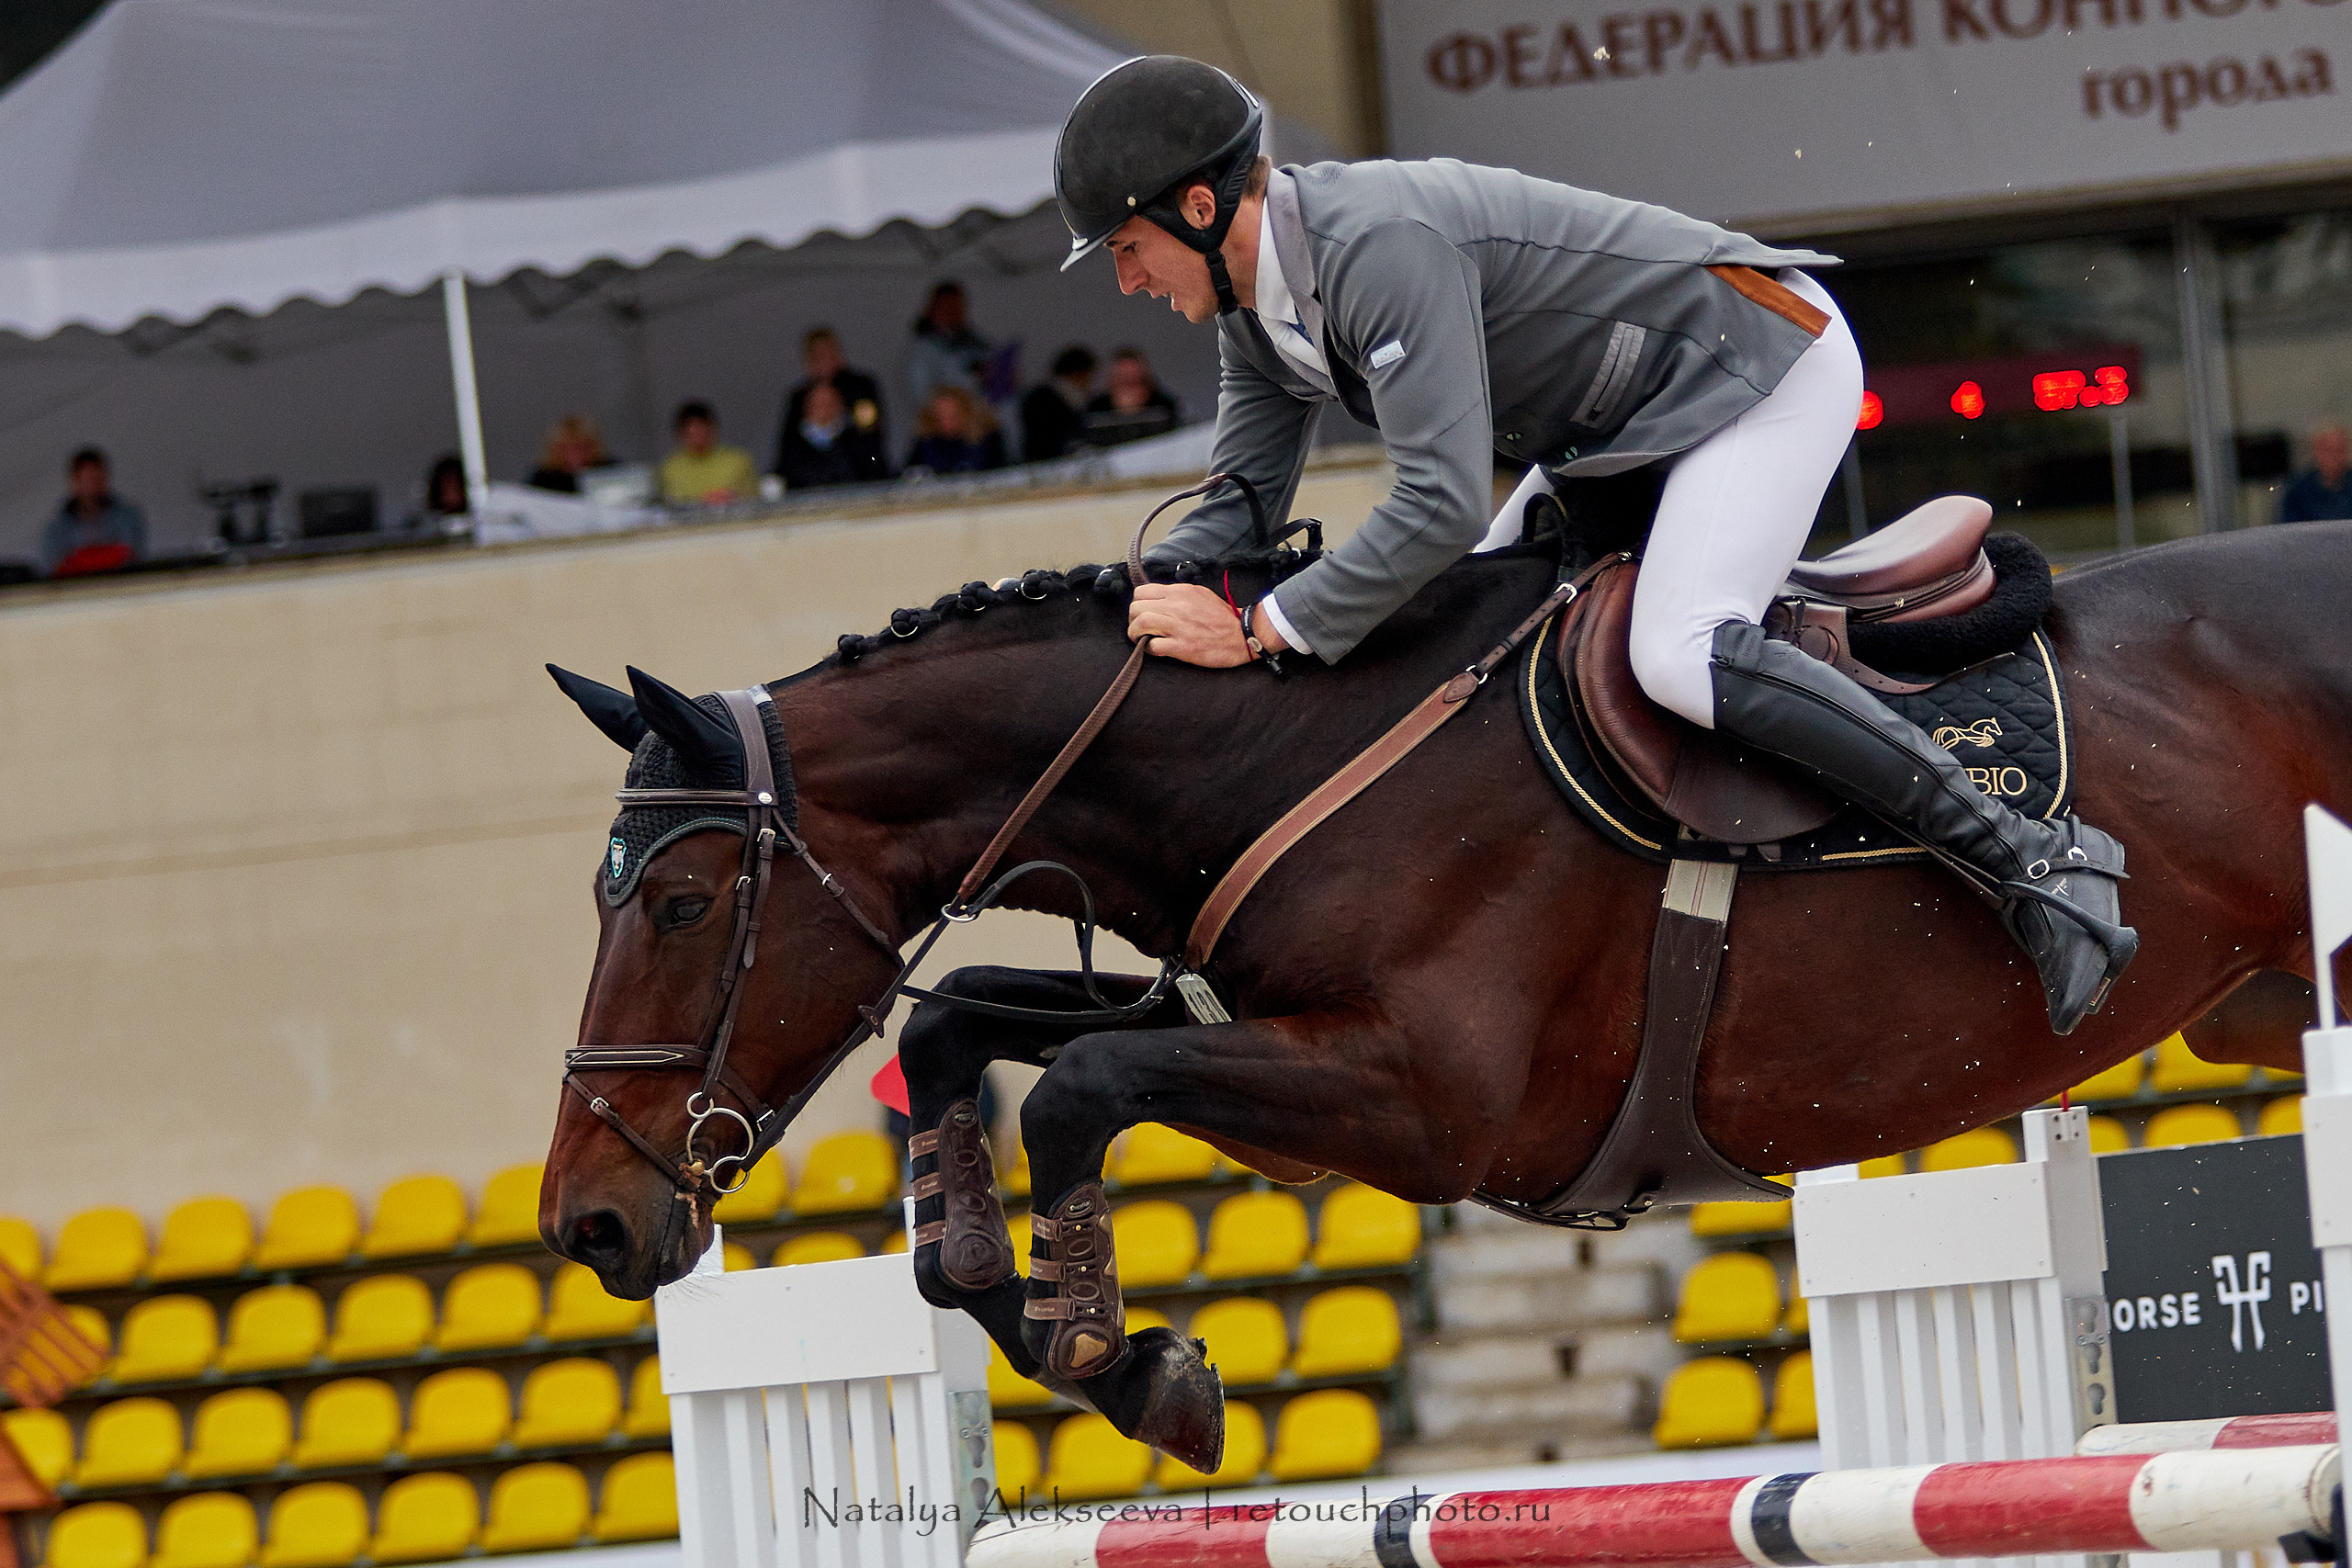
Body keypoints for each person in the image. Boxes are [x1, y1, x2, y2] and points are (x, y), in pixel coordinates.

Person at [1058, 54, 2135, 1035]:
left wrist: (1260, 630)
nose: (1128, 281)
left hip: (1751, 367)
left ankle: (2033, 860)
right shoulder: (1256, 309)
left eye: (1127, 248)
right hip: (1611, 432)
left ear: (1198, 207)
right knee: (1475, 624)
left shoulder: (1373, 246)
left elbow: (1433, 504)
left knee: (1680, 652)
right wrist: (1114, 600)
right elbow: (1242, 502)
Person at [775, 328, 887, 475]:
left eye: (828, 353)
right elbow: (787, 451)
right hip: (810, 476)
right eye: (817, 356)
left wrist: (837, 422)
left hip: (856, 472)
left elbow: (870, 440)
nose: (824, 361)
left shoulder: (860, 388)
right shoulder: (798, 398)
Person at [40, 447, 147, 578]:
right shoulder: (57, 528)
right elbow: (53, 569)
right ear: (75, 482)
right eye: (88, 480)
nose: (93, 487)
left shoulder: (128, 517)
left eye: (97, 479)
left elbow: (133, 560)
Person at [776, 381, 891, 490]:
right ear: (806, 408)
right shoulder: (793, 446)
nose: (824, 409)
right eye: (817, 404)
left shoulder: (859, 441)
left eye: (829, 403)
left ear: (840, 406)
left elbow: (877, 476)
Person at [907, 281, 994, 405]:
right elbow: (922, 397)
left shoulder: (976, 342)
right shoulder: (921, 351)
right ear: (932, 310)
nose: (952, 313)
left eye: (956, 307)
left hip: (979, 416)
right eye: (946, 307)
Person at [658, 400, 759, 505]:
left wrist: (733, 497)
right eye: (692, 434)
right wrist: (701, 501)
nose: (698, 439)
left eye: (703, 432)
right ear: (680, 435)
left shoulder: (738, 460)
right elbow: (670, 503)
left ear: (713, 429)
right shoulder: (671, 467)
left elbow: (755, 498)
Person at [1083, 346, 1181, 446]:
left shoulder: (1165, 406)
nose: (1130, 388)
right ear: (1111, 382)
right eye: (1124, 381)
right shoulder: (1095, 409)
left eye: (1136, 381)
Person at [1020, 345, 1099, 462]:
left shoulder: (1041, 395)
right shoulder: (1048, 399)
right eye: (1089, 377)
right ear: (1079, 374)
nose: (1089, 385)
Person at [904, 386, 1006, 475]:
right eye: (941, 417)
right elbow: (909, 474)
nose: (946, 422)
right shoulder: (926, 443)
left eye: (953, 416)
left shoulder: (987, 440)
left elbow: (1001, 473)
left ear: (965, 413)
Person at [2278, 424, 2352, 523]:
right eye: (2329, 450)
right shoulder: (2298, 491)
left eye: (2340, 450)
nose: (2335, 456)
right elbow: (2290, 530)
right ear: (2316, 452)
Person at [528, 416, 614, 493]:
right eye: (566, 449)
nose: (575, 455)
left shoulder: (611, 471)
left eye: (581, 448)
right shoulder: (542, 480)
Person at [413, 455, 469, 525]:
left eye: (456, 483)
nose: (452, 489)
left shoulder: (478, 521)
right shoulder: (427, 524)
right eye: (448, 482)